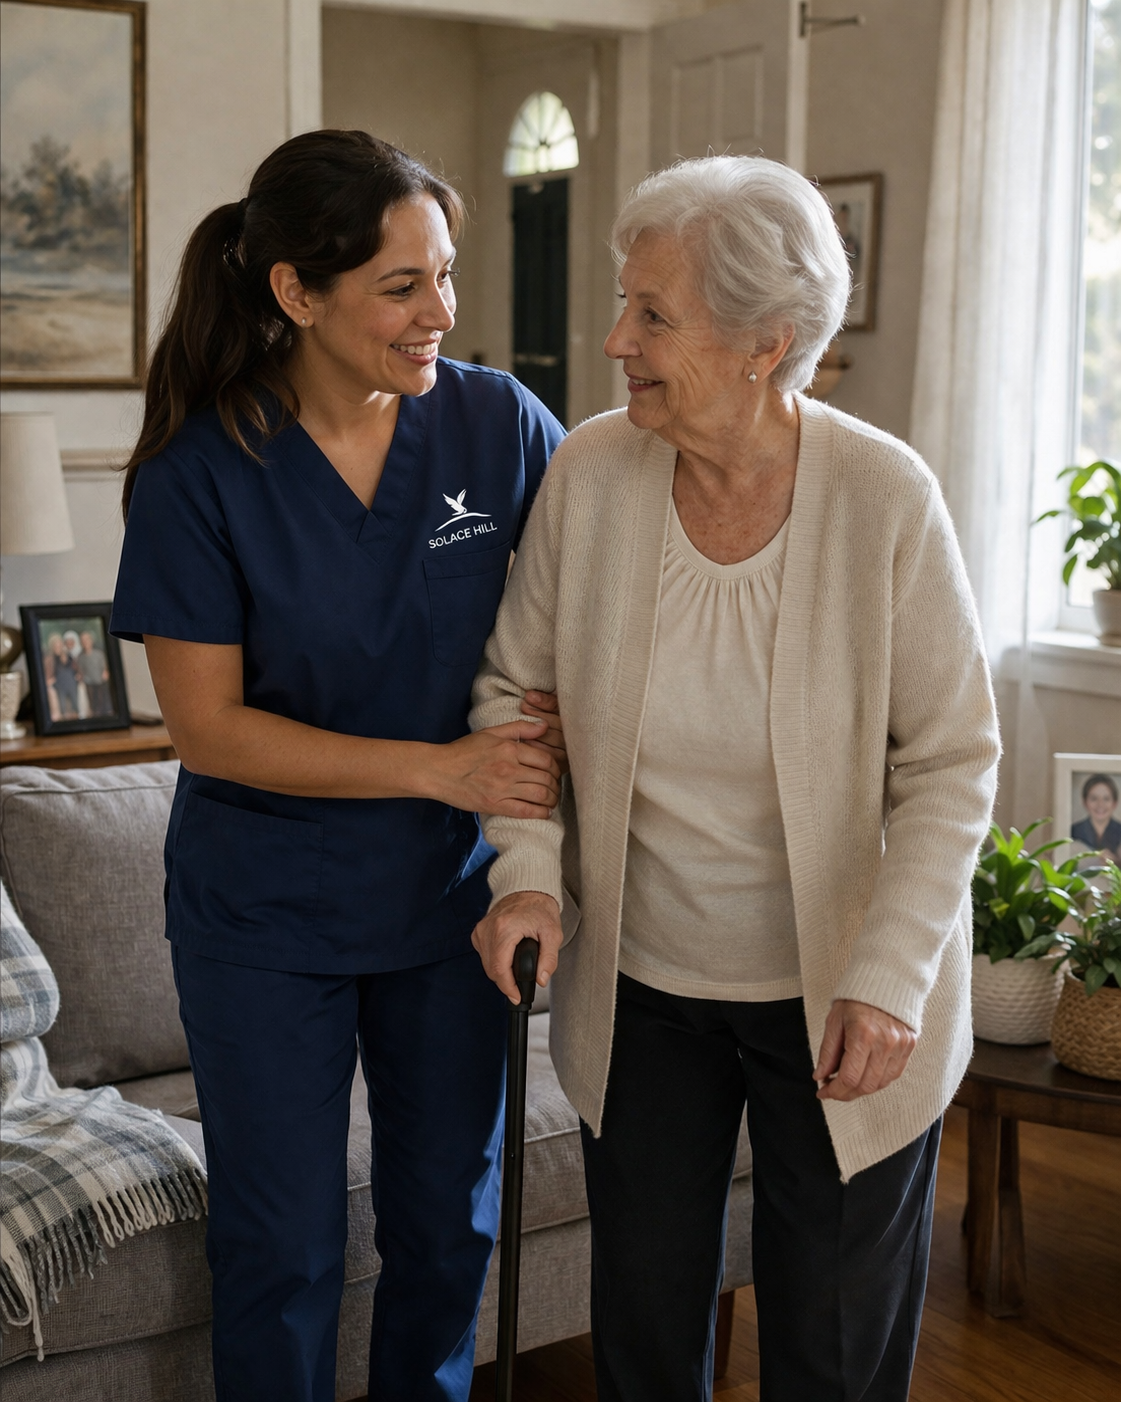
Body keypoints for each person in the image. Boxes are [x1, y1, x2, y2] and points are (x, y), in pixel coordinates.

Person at [470, 156, 1000, 1401]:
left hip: (841, 1000)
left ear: (766, 341)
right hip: (644, 985)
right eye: (624, 303)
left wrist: (886, 979)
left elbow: (951, 760)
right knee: (648, 1333)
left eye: (652, 315)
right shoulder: (592, 475)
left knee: (827, 1342)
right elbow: (516, 696)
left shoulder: (882, 496)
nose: (613, 340)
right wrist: (529, 876)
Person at [110, 130, 566, 1402]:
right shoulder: (202, 472)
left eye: (445, 275)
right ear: (295, 293)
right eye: (401, 286)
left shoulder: (499, 425)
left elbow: (588, 616)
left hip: (448, 910)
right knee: (285, 1244)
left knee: (445, 1220)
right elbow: (209, 729)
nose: (441, 314)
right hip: (266, 913)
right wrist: (443, 770)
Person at [1071, 773, 1121, 860]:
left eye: (1106, 799)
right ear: (1085, 802)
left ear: (1114, 803)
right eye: (1094, 799)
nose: (1100, 805)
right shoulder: (1073, 832)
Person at [76, 630, 112, 715]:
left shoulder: (99, 654)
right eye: (83, 640)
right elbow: (81, 671)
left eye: (87, 639)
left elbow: (104, 667)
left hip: (100, 680)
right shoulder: (80, 657)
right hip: (89, 682)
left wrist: (105, 672)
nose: (85, 642)